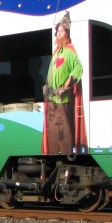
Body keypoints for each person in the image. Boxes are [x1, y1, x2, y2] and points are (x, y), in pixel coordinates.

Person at [42, 11, 85, 155]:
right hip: (51, 101)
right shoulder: (56, 53)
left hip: (63, 100)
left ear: (67, 33)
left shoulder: (70, 52)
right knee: (52, 134)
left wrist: (66, 87)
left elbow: (78, 69)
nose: (58, 34)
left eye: (61, 31)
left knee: (64, 134)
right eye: (57, 31)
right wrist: (46, 86)